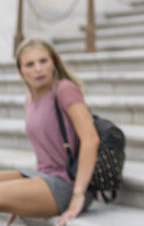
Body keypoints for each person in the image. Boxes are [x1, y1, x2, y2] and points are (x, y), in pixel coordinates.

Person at [1, 39, 98, 226]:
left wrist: (78, 194)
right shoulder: (29, 100)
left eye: (43, 61)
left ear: (53, 62)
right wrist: (20, 200)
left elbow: (90, 139)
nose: (38, 69)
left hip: (66, 183)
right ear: (21, 70)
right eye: (30, 64)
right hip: (41, 177)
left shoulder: (64, 89)